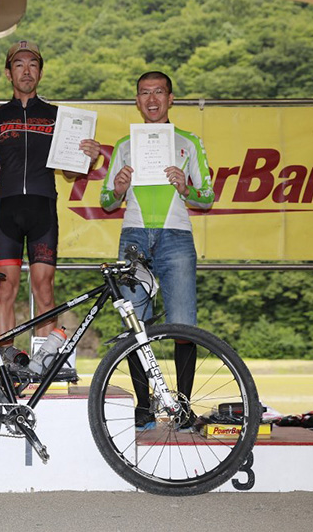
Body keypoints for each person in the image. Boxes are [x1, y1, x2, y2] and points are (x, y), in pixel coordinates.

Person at [100, 71, 214, 430]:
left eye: (159, 92)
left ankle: (183, 407)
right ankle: (143, 406)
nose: (152, 99)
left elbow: (207, 198)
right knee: (135, 323)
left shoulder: (189, 142)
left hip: (176, 236)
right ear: (137, 100)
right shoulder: (124, 145)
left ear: (170, 98)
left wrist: (186, 188)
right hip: (134, 234)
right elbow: (106, 201)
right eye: (145, 93)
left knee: (183, 325)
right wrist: (118, 190)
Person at [0, 40, 100, 368]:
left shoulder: (58, 117)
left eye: (33, 64)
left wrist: (87, 157)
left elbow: (71, 173)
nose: (26, 70)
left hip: (42, 208)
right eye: (19, 64)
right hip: (7, 211)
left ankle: (43, 365)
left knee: (44, 288)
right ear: (9, 73)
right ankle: (8, 365)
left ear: (40, 72)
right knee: (6, 289)